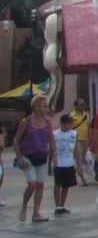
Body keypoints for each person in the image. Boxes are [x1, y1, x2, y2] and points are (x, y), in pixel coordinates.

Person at [13, 94, 56, 222]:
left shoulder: (47, 121)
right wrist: (19, 158)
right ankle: (24, 206)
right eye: (44, 106)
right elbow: (16, 141)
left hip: (42, 155)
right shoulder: (26, 121)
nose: (46, 109)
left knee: (40, 184)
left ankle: (36, 212)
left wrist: (53, 156)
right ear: (36, 107)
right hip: (27, 155)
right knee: (32, 183)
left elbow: (51, 139)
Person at [52, 114, 78, 215]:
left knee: (66, 185)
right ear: (62, 124)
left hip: (69, 163)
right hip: (58, 163)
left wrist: (78, 163)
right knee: (58, 184)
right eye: (68, 123)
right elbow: (51, 148)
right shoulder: (55, 134)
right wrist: (51, 160)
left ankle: (62, 205)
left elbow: (75, 149)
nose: (70, 125)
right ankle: (57, 205)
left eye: (71, 123)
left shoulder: (74, 134)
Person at [70, 98, 91, 187]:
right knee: (79, 159)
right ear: (76, 106)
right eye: (81, 104)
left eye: (84, 104)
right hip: (76, 140)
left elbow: (88, 127)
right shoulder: (72, 116)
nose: (83, 105)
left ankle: (70, 173)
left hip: (85, 139)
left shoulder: (86, 114)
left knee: (81, 160)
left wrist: (89, 138)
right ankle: (82, 179)